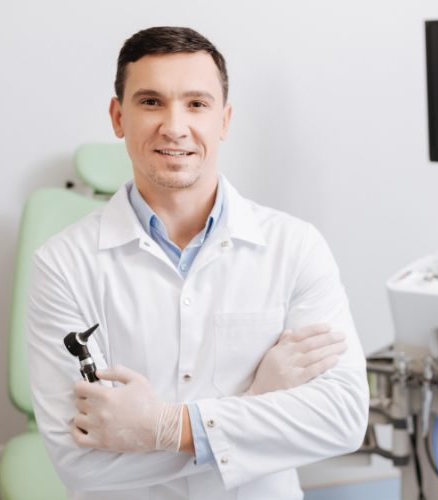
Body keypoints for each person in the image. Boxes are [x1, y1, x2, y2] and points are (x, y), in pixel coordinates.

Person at [26, 27, 369, 500]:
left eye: (196, 104)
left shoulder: (296, 247)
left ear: (223, 120)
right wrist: (258, 401)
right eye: (151, 102)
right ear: (118, 117)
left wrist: (163, 426)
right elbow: (82, 464)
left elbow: (342, 418)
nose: (174, 126)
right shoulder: (62, 264)